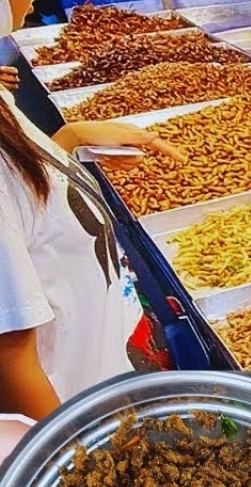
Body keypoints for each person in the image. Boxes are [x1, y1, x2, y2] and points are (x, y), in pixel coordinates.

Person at [1, 88, 186, 419]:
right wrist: (74, 461)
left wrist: (70, 138)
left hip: (118, 364)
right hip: (85, 411)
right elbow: (10, 356)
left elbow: (28, 201)